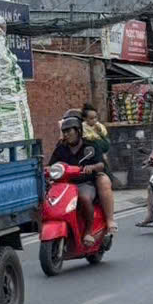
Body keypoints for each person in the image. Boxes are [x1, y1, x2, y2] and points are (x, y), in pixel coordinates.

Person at [48, 113, 107, 246]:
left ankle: (88, 231)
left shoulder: (90, 146)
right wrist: (47, 170)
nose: (66, 134)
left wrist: (91, 167)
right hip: (64, 185)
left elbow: (101, 164)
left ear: (78, 131)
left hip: (84, 183)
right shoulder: (61, 148)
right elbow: (51, 164)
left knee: (84, 198)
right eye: (64, 132)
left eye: (69, 131)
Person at [81, 102, 117, 233]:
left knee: (105, 182)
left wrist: (99, 135)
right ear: (84, 119)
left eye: (95, 117)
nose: (94, 121)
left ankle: (109, 219)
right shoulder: (81, 130)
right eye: (91, 118)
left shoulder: (99, 129)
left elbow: (105, 146)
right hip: (80, 165)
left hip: (97, 163)